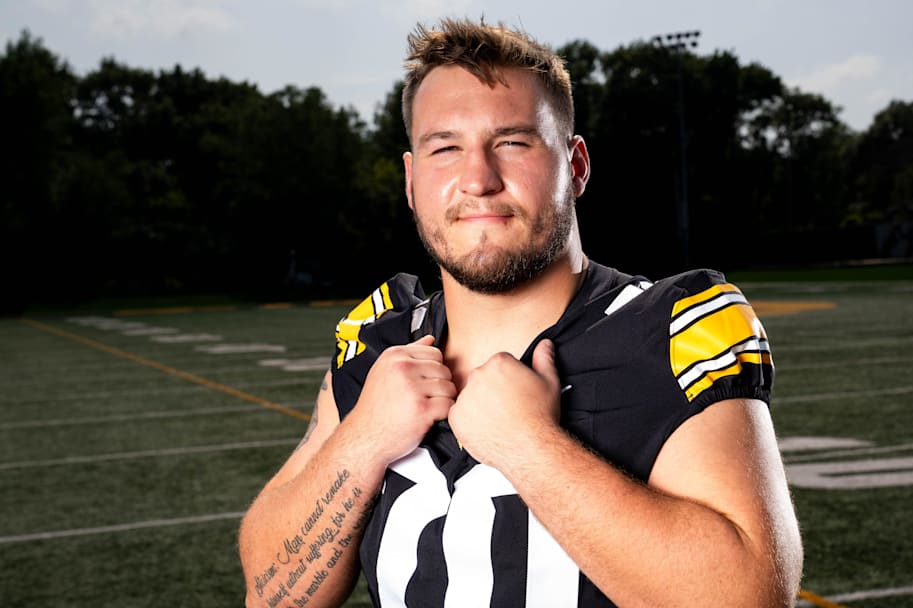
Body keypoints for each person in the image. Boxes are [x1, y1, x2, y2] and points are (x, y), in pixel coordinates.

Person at [239, 17, 803, 608]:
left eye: (512, 142)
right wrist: (364, 440)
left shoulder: (667, 330)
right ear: (411, 181)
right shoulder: (377, 340)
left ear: (576, 164)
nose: (478, 180)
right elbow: (273, 598)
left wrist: (529, 444)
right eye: (446, 148)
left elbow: (750, 597)